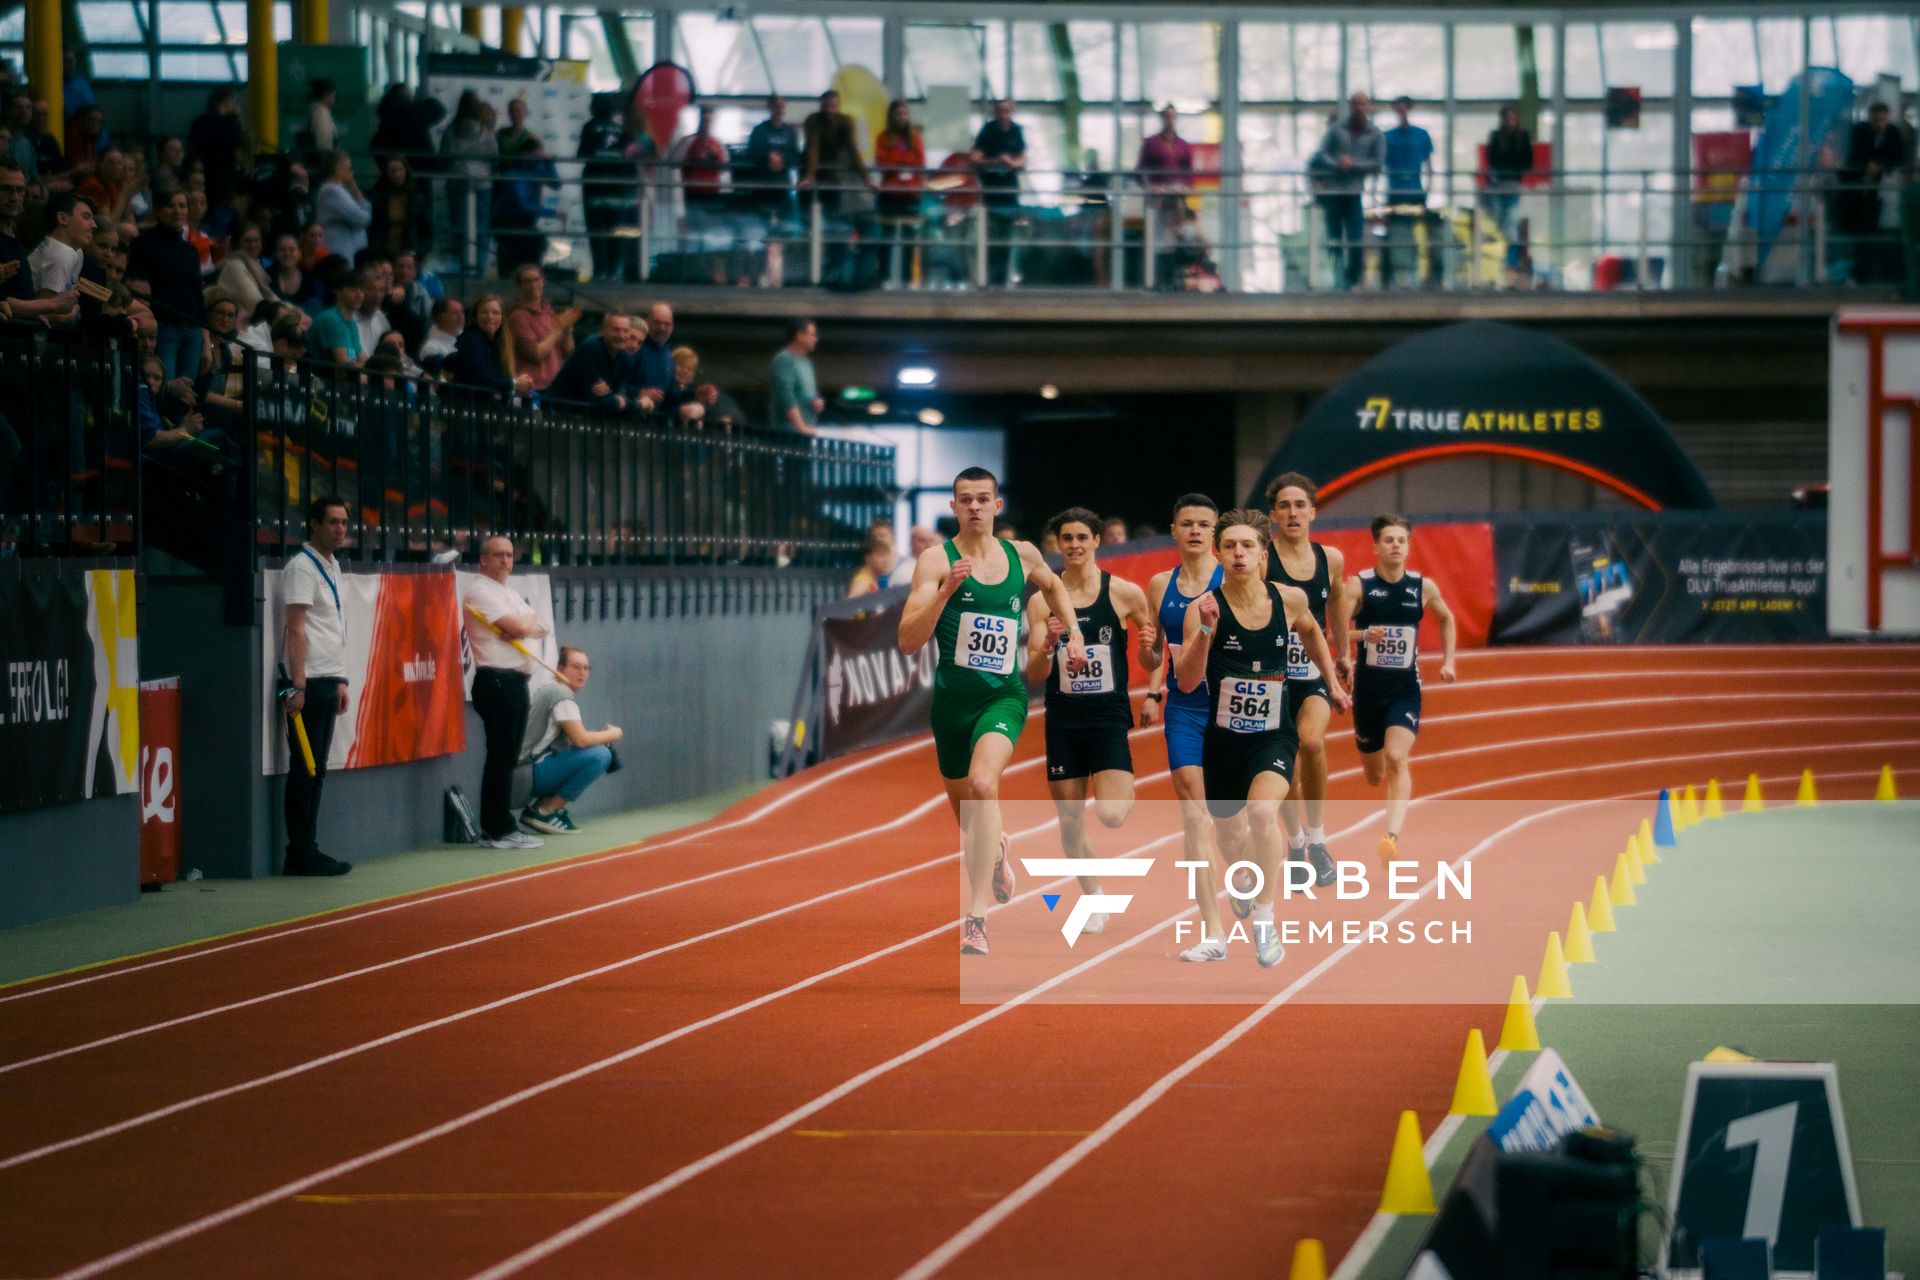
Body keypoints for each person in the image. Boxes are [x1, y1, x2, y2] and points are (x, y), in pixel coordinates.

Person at [897, 467, 1087, 956]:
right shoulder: (936, 561)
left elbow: (1054, 585)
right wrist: (944, 594)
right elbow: (907, 640)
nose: (975, 507)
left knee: (985, 786)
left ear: (997, 506)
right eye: (966, 500)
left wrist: (1075, 632)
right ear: (955, 508)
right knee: (972, 819)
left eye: (984, 499)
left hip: (1003, 697)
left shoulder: (1020, 555)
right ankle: (999, 849)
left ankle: (975, 918)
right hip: (951, 708)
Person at [1174, 508, 1346, 967]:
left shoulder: (1288, 600)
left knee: (1264, 812)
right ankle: (1247, 886)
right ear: (1217, 554)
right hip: (1224, 742)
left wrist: (1331, 681)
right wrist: (1206, 633)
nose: (1238, 554)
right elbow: (1187, 681)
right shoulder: (1202, 610)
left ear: (1263, 554)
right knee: (1231, 841)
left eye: (1247, 545)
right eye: (1229, 546)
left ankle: (1266, 922)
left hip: (1274, 736)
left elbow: (1313, 632)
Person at [1024, 506, 1158, 935]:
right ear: (1057, 545)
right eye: (1067, 539)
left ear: (1097, 540)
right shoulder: (1040, 601)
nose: (1075, 546)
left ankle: (1112, 784)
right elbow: (1035, 673)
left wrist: (1150, 661)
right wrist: (1046, 645)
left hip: (1107, 716)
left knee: (1113, 815)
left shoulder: (1124, 593)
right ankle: (1094, 895)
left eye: (1083, 537)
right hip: (1063, 717)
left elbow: (1154, 655)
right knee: (1070, 820)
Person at [1142, 495, 1232, 962]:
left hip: (1232, 709)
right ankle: (1213, 931)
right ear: (1173, 531)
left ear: (1214, 532)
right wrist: (1149, 668)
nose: (1195, 531)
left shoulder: (1235, 578)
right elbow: (1156, 656)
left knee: (1230, 824)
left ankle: (1241, 877)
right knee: (1195, 817)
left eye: (1203, 524)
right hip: (1186, 708)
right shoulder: (1160, 585)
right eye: (1187, 524)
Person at [1341, 514, 1457, 864]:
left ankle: (1391, 838)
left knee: (1396, 757)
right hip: (1367, 692)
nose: (1395, 545)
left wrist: (1449, 661)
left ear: (1408, 546)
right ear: (1375, 546)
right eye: (1388, 540)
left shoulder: (1423, 587)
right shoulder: (1359, 586)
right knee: (1375, 775)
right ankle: (1387, 817)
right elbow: (1330, 633)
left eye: (1401, 540)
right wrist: (1362, 635)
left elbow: (1447, 618)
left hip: (1405, 688)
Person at [1263, 472, 1348, 887]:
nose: (1292, 512)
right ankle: (1294, 841)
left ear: (1313, 511)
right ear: (1273, 514)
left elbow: (1337, 606)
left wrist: (1344, 655)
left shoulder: (1330, 558)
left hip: (1311, 672)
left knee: (1312, 742)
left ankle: (1316, 840)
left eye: (1300, 505)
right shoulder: (1262, 557)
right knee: (1284, 775)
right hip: (1270, 680)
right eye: (1284, 505)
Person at [279, 496, 355, 876]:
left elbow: (332, 628)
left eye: (344, 522)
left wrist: (340, 678)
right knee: (304, 768)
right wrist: (298, 684)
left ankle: (308, 846)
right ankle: (299, 851)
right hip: (308, 681)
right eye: (333, 522)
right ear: (314, 524)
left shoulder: (333, 565)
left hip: (327, 678)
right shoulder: (301, 568)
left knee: (318, 769)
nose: (340, 529)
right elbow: (297, 627)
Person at [463, 534, 551, 849]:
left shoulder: (509, 593)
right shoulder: (479, 592)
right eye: (498, 555)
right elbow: (519, 627)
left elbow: (541, 625)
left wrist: (524, 624)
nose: (505, 561)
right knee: (501, 756)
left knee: (507, 756)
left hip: (514, 682)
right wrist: (522, 624)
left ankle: (499, 825)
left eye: (510, 555)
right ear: (483, 559)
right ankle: (498, 828)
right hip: (497, 681)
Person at [514, 645, 621, 836]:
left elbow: (571, 741)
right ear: (560, 670)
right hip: (526, 776)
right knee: (600, 755)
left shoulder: (552, 691)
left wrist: (597, 738)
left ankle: (543, 808)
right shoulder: (560, 694)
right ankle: (545, 811)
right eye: (576, 667)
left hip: (524, 773)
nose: (582, 673)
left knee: (596, 748)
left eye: (586, 668)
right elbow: (580, 740)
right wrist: (612, 734)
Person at [130, 189, 209, 381]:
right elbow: (135, 284)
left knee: (186, 392)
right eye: (170, 205)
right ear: (157, 210)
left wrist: (207, 342)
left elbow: (198, 296)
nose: (177, 211)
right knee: (165, 387)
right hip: (163, 328)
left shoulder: (190, 250)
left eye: (182, 206)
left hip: (193, 332)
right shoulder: (143, 242)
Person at [1312, 93, 1383, 290]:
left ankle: (1352, 278)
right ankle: (1337, 278)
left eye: (1363, 104)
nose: (1359, 108)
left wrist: (1354, 165)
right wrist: (1337, 164)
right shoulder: (1336, 130)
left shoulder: (1375, 134)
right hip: (1333, 194)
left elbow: (1377, 162)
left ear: (1368, 107)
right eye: (1355, 104)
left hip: (1353, 194)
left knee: (1355, 239)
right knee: (1334, 238)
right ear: (1351, 107)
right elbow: (1322, 154)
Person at [1838, 102, 1909, 284]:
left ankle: (1863, 273)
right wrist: (1869, 165)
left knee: (1869, 230)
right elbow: (1854, 156)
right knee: (1860, 231)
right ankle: (1859, 272)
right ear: (1870, 118)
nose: (1879, 124)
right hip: (1858, 190)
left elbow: (1898, 157)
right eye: (1876, 120)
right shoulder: (1861, 132)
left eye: (1882, 120)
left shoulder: (1892, 133)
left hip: (1877, 190)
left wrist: (1879, 165)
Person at [969, 100, 1027, 285]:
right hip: (991, 196)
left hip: (1009, 195)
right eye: (1000, 111)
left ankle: (1003, 278)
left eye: (1007, 111)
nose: (1003, 115)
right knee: (992, 239)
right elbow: (975, 158)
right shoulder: (988, 130)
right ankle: (989, 277)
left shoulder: (1016, 130)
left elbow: (1023, 159)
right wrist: (995, 162)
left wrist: (1011, 163)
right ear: (995, 113)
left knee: (1007, 239)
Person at [578, 94, 634, 281]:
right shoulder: (622, 129)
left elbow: (582, 154)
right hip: (617, 188)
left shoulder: (589, 127)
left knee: (596, 230)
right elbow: (629, 159)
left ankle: (599, 270)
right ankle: (613, 271)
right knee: (615, 230)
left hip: (594, 186)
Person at [1381, 96, 1436, 288]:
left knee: (1419, 233)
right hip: (1395, 191)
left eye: (1404, 108)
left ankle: (1424, 275)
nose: (1401, 111)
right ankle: (1391, 278)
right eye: (1398, 108)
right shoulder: (1388, 137)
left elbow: (1429, 164)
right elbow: (1381, 163)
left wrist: (1428, 188)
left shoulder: (1420, 135)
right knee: (1393, 234)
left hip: (1414, 191)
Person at [505, 263, 580, 392]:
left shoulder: (549, 312)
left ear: (543, 281)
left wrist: (567, 329)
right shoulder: (518, 316)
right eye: (527, 282)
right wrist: (558, 329)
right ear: (520, 286)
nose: (533, 285)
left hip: (554, 386)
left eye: (536, 279)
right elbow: (535, 354)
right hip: (533, 388)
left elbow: (568, 352)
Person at [546, 309, 635, 411]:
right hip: (559, 413)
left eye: (625, 330)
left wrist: (615, 397)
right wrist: (619, 401)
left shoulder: (626, 360)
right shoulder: (590, 348)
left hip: (590, 418)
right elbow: (595, 398)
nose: (621, 335)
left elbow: (618, 394)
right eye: (616, 330)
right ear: (604, 330)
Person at [1483, 104, 1532, 278]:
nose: (1510, 122)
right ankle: (1502, 261)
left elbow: (1527, 162)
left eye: (1513, 118)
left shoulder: (1522, 137)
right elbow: (1492, 160)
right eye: (1508, 118)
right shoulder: (1497, 137)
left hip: (1513, 185)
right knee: (1500, 225)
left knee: (1510, 225)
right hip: (1499, 185)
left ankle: (1509, 263)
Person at [450, 293, 531, 399]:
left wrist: (520, 385)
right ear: (475, 316)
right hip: (470, 408)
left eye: (496, 313)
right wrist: (514, 384)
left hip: (490, 408)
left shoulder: (499, 343)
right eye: (484, 312)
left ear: (502, 318)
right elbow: (479, 380)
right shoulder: (472, 339)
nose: (490, 317)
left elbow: (499, 380)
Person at [742, 94, 800, 219]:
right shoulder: (759, 130)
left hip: (782, 186)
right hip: (762, 185)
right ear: (769, 108)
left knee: (784, 225)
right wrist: (768, 156)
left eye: (781, 107)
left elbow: (796, 157)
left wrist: (782, 158)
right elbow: (751, 154)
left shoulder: (790, 132)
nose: (779, 110)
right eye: (776, 107)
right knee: (761, 221)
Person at [186, 87, 245, 208]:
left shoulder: (198, 122)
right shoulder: (232, 125)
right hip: (225, 175)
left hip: (203, 173)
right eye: (233, 102)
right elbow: (238, 151)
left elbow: (192, 148)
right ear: (225, 102)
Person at [368, 155, 434, 260]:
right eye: (393, 171)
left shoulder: (416, 197)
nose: (397, 175)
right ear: (386, 174)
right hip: (382, 254)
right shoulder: (377, 196)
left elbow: (427, 230)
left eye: (400, 170)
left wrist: (419, 253)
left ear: (406, 171)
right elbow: (371, 227)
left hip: (408, 254)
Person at [315, 150, 373, 262]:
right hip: (341, 252)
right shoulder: (332, 190)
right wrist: (358, 195)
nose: (352, 172)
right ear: (338, 169)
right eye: (349, 168)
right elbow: (362, 219)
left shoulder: (341, 191)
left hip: (349, 253)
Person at [770, 316, 821, 435]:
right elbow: (786, 397)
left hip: (806, 432)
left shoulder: (808, 363)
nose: (816, 339)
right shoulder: (784, 360)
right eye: (812, 335)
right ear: (800, 336)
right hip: (788, 433)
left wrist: (816, 401)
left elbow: (810, 394)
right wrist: (801, 428)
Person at [211, 220, 272, 315]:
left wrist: (295, 311)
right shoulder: (235, 266)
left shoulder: (258, 266)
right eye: (247, 241)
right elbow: (257, 304)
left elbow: (271, 297)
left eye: (256, 240)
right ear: (238, 243)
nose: (253, 245)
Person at [307, 269, 366, 366]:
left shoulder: (351, 323)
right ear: (338, 292)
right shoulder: (331, 319)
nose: (359, 295)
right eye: (353, 290)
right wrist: (358, 365)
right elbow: (344, 365)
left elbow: (363, 359)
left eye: (361, 290)